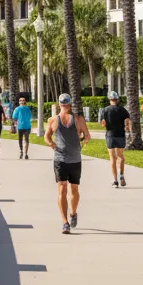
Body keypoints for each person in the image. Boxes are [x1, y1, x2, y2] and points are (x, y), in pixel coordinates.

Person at [45, 93, 90, 234]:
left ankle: (73, 213)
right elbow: (47, 136)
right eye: (62, 104)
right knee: (62, 189)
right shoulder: (52, 120)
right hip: (60, 160)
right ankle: (65, 222)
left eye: (65, 104)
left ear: (69, 105)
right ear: (60, 104)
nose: (64, 106)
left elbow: (87, 136)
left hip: (75, 160)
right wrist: (52, 145)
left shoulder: (78, 120)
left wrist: (81, 143)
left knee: (74, 189)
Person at [101, 90, 130, 187]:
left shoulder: (105, 110)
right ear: (117, 99)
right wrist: (127, 130)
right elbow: (127, 122)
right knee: (120, 156)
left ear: (110, 99)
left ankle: (115, 180)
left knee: (112, 158)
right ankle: (121, 175)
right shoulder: (122, 110)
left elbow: (102, 123)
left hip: (110, 135)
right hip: (120, 134)